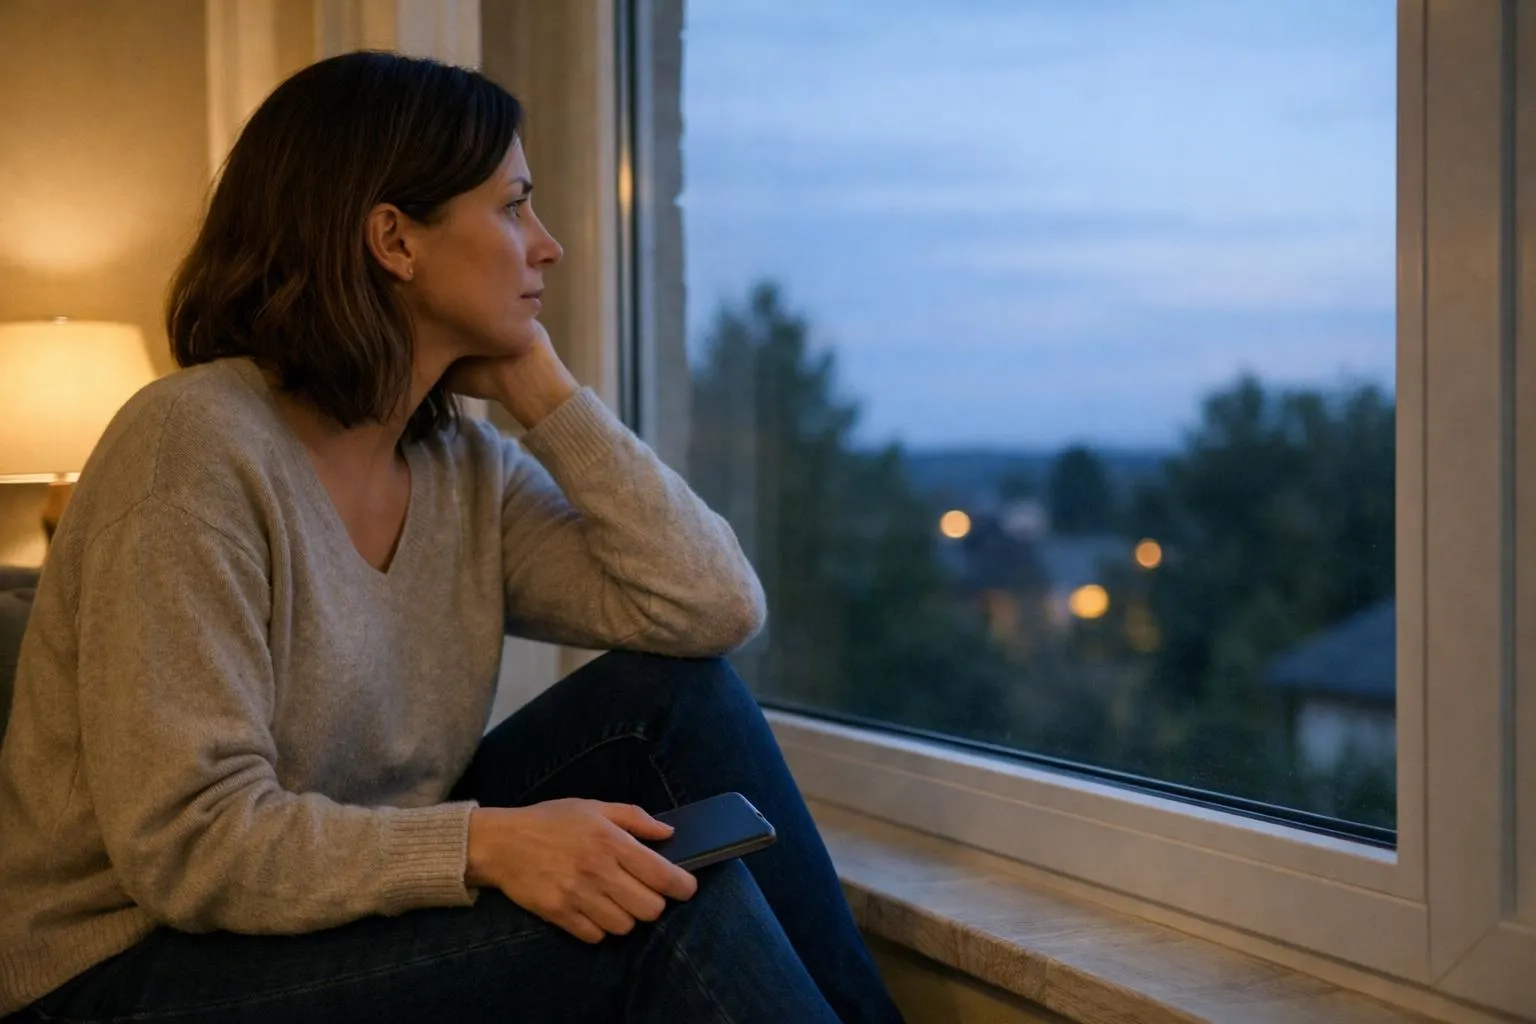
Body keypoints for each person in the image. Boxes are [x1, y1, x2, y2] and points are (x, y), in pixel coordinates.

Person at [0, 51, 903, 1023]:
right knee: (660, 910)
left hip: (312, 917)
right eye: (514, 207)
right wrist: (491, 844)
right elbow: (189, 847)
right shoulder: (190, 448)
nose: (549, 246)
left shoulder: (461, 467)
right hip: (122, 970)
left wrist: (542, 390)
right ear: (394, 239)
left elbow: (710, 607)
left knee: (676, 704)